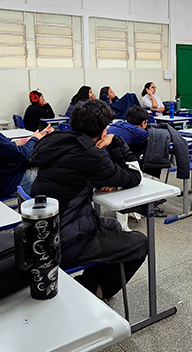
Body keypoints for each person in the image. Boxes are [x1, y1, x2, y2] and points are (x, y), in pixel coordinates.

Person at [30, 99, 148, 300]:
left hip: (43, 234)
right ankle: (100, 292)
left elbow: (73, 176)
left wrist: (97, 179)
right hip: (66, 240)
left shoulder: (56, 141)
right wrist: (116, 142)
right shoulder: (91, 155)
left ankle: (89, 285)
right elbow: (134, 177)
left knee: (113, 226)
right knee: (140, 243)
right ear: (102, 131)